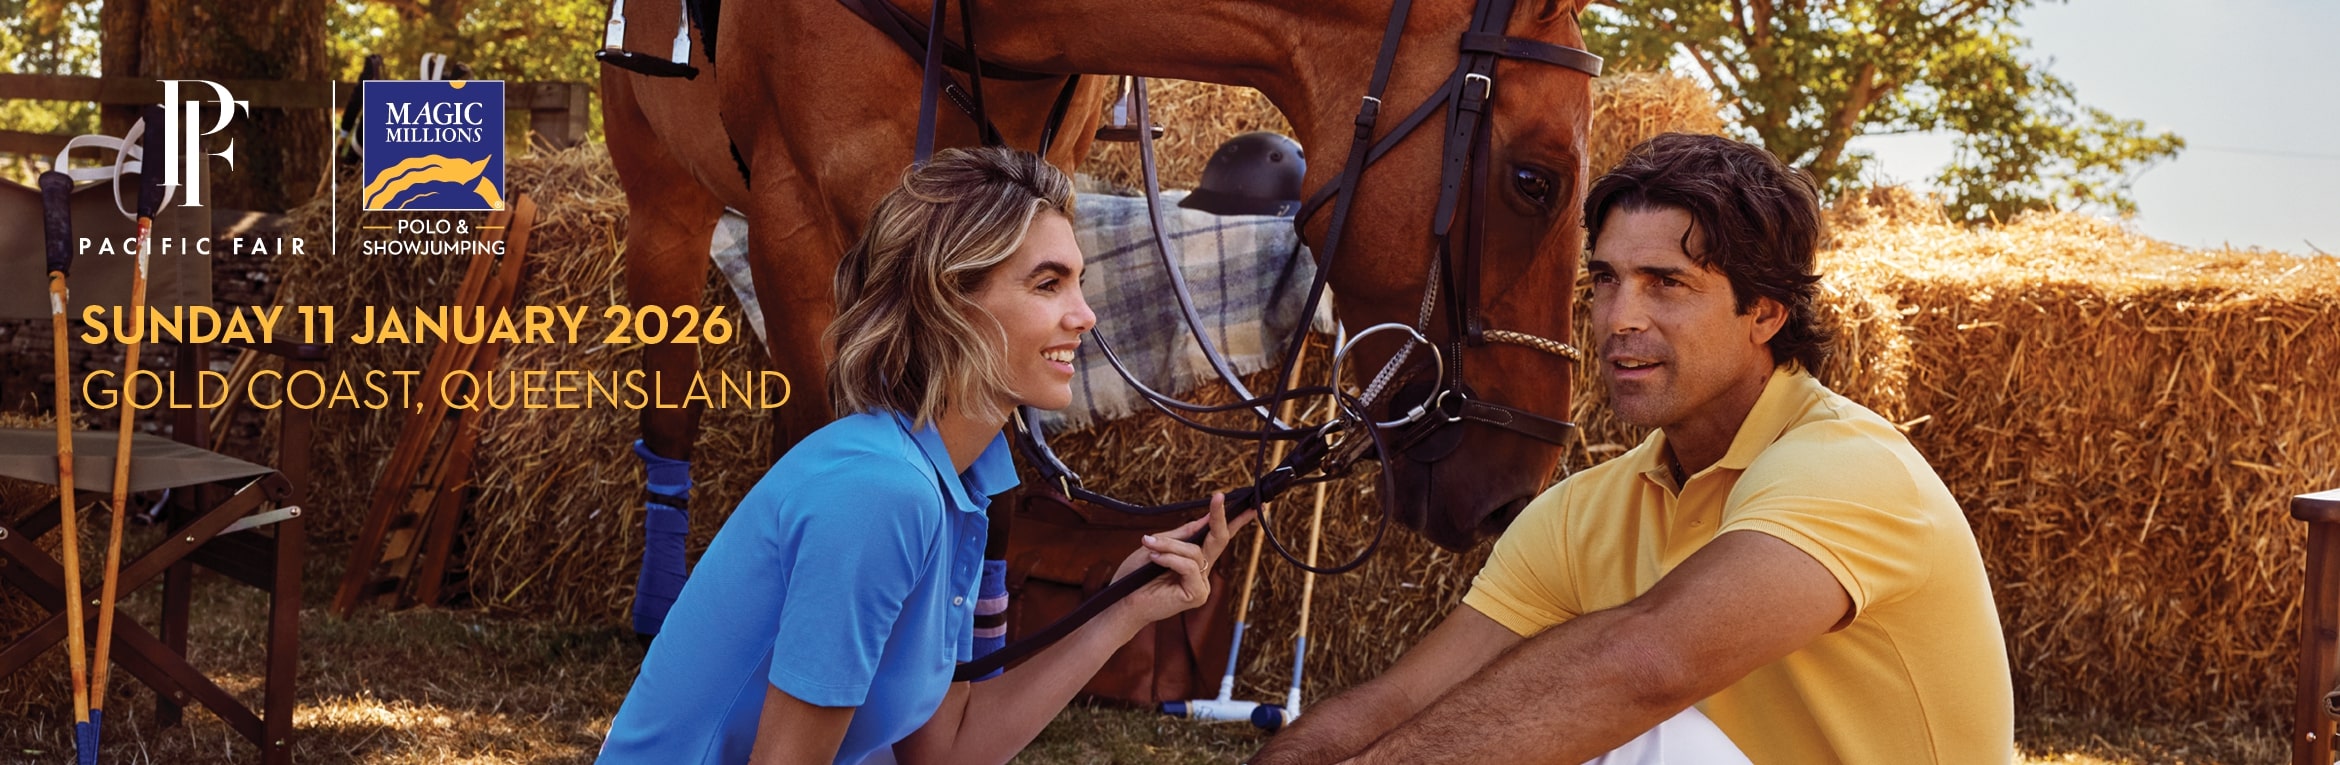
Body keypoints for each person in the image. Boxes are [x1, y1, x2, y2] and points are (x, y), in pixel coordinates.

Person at [1247, 133, 2014, 765]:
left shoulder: (1852, 468)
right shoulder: (1586, 508)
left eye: (1665, 283)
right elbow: (1403, 701)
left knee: (1632, 731)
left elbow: (1646, 664)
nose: (1618, 318)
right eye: (1606, 280)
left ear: (1767, 312)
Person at [598, 146, 1245, 765]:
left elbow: (946, 750)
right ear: (950, 301)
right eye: (1048, 284)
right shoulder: (880, 490)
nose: (1086, 316)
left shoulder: (951, 480)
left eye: (1078, 283)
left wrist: (1124, 607)